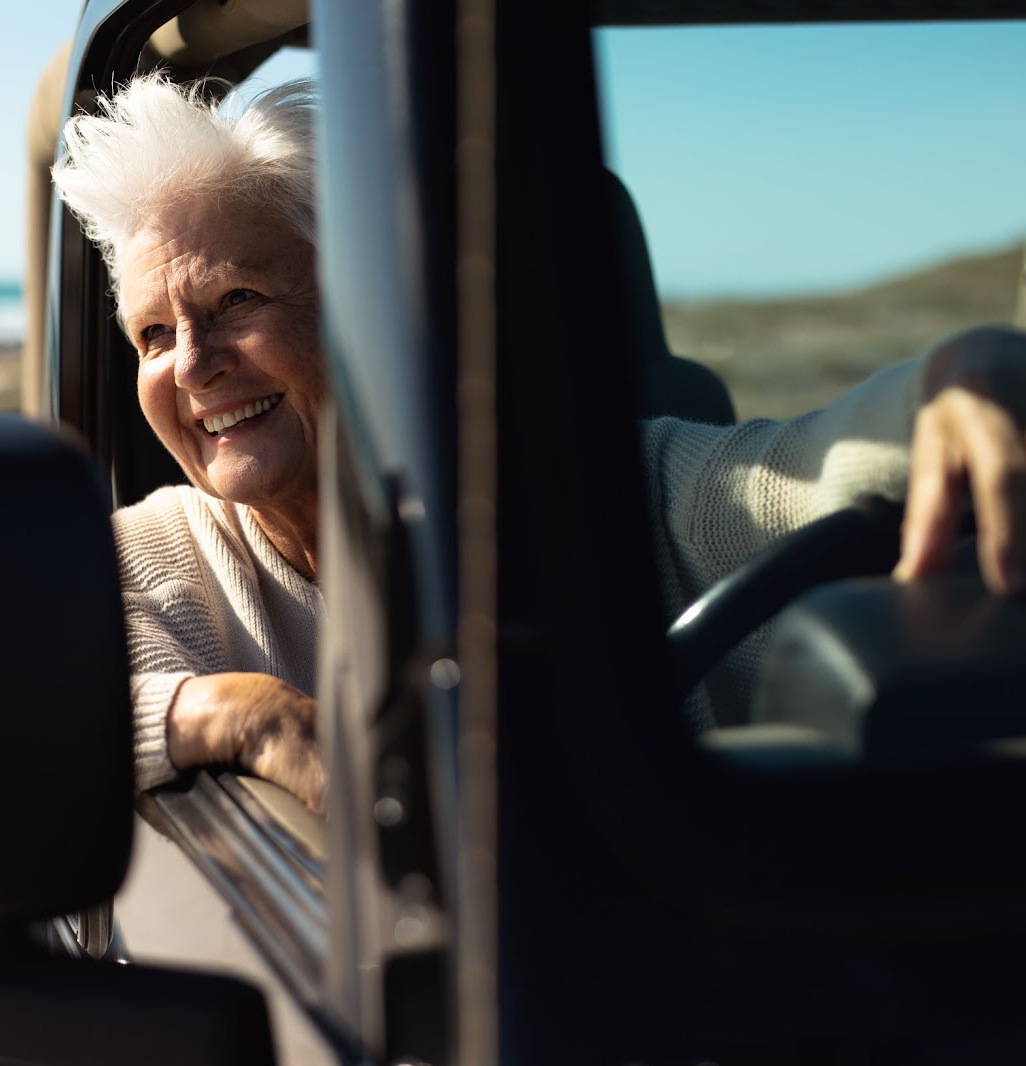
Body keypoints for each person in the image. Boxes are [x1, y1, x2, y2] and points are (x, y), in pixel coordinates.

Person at [52, 74, 1026, 813]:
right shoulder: (144, 555)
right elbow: (24, 721)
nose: (191, 364)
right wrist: (241, 714)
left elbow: (811, 469)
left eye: (234, 302)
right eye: (151, 335)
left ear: (371, 312)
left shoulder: (617, 485)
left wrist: (966, 376)